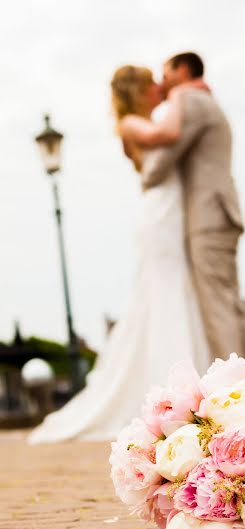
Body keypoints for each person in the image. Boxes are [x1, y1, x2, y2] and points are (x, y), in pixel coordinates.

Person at [28, 65, 210, 443]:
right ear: (140, 91)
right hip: (159, 213)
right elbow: (171, 133)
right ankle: (176, 392)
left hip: (171, 209)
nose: (159, 88)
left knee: (175, 292)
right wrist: (182, 95)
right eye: (152, 85)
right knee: (165, 292)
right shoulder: (131, 123)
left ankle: (189, 388)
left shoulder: (144, 119)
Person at [122, 52, 245, 359]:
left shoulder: (191, 102)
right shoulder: (203, 100)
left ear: (182, 70)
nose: (163, 82)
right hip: (217, 212)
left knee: (217, 305)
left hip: (208, 216)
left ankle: (236, 387)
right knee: (229, 301)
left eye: (166, 73)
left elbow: (158, 166)